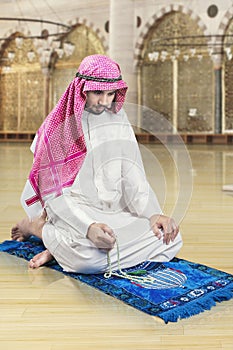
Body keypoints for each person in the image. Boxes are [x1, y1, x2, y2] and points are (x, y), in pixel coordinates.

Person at [11, 54, 182, 274]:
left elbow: (132, 176)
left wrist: (153, 215)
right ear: (82, 89)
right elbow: (53, 195)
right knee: (87, 259)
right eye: (98, 93)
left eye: (111, 94)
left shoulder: (118, 119)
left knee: (171, 239)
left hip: (112, 211)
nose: (105, 101)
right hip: (71, 212)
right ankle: (38, 228)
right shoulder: (60, 126)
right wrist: (87, 227)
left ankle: (57, 248)